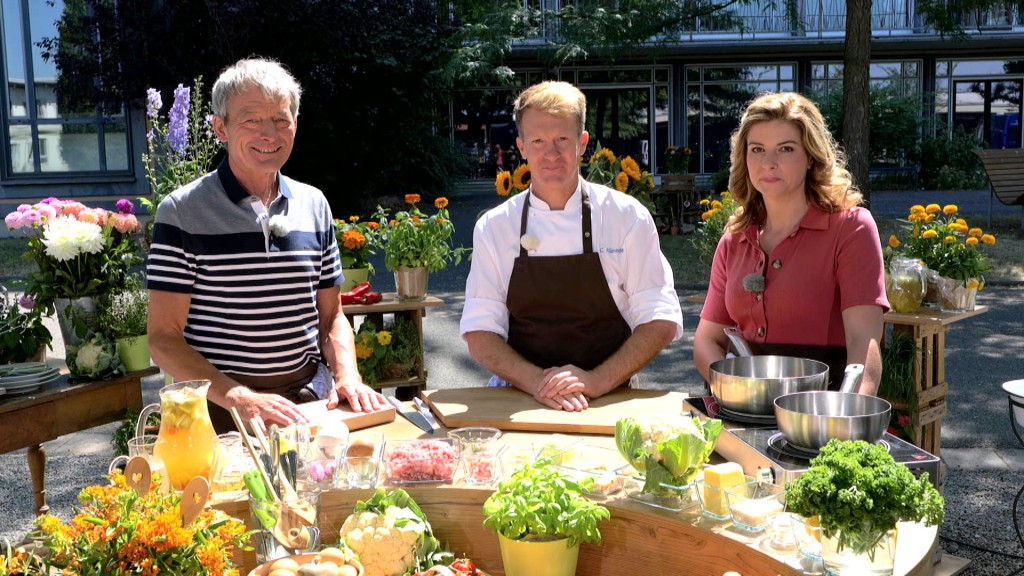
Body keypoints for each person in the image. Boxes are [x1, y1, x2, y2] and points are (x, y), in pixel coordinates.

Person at [146, 58, 388, 433]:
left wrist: (348, 375)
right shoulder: (182, 212)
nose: (269, 134)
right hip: (220, 417)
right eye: (251, 120)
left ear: (296, 125)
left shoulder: (314, 205)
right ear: (220, 128)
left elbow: (332, 317)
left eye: (280, 119)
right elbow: (163, 339)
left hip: (308, 407)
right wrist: (238, 397)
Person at [460, 81, 683, 412]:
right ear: (521, 146)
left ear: (582, 143)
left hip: (611, 396)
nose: (551, 153)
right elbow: (480, 331)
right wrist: (538, 382)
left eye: (562, 139)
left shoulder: (626, 217)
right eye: (538, 140)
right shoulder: (495, 227)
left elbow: (659, 318)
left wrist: (597, 381)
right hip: (518, 397)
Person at [693, 92, 888, 395]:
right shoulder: (734, 239)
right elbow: (707, 341)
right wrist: (734, 390)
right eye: (757, 149)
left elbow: (864, 344)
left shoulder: (851, 228)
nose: (768, 162)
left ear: (811, 156)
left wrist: (847, 414)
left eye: (785, 149)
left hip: (818, 412)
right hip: (737, 412)